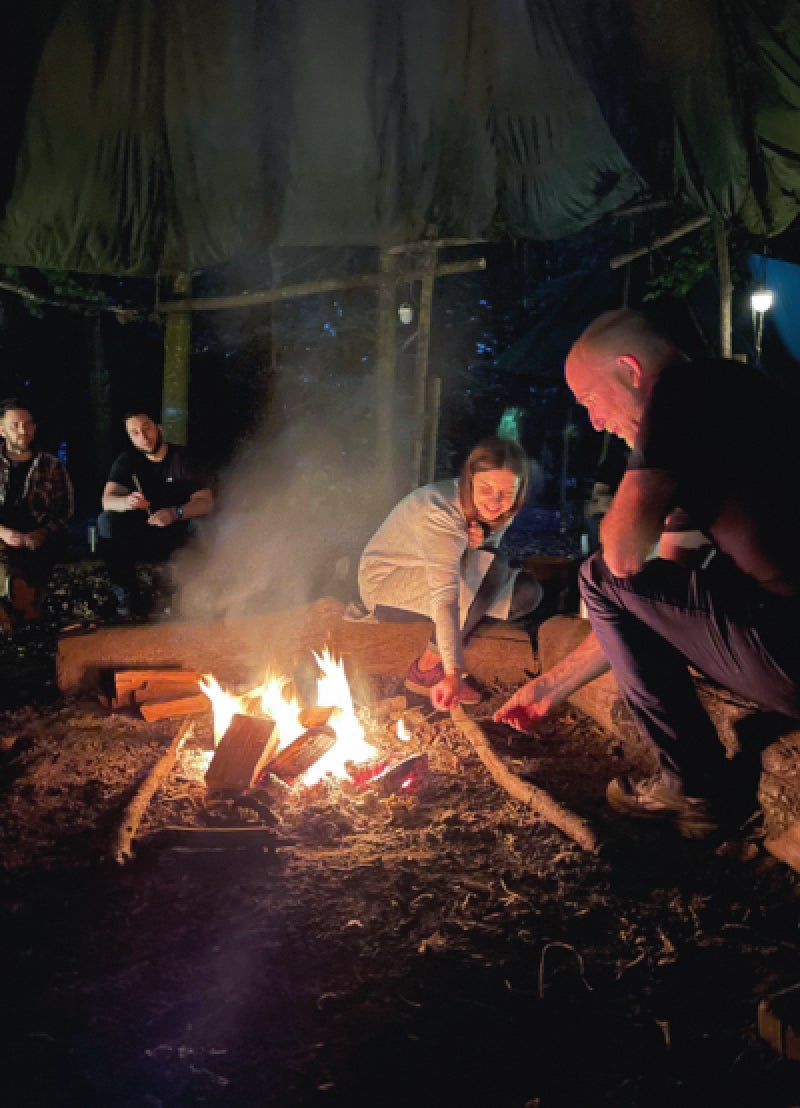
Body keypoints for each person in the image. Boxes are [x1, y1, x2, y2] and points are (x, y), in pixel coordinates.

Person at [496, 308, 800, 839]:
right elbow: (652, 600)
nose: (594, 421)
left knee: (595, 573)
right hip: (783, 642)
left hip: (790, 652)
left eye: (591, 399)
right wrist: (552, 685)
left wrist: (639, 462)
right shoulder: (734, 398)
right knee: (643, 583)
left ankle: (694, 784)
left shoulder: (682, 390)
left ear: (631, 371)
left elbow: (620, 559)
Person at [355, 436, 543, 711]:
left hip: (445, 575)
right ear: (469, 480)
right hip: (389, 583)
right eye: (486, 487)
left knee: (527, 592)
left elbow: (482, 563)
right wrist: (452, 671)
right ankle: (426, 670)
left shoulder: (503, 508)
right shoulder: (439, 511)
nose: (495, 500)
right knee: (498, 564)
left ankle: (449, 640)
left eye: (507, 491)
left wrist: (476, 544)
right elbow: (446, 596)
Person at [98, 410, 213, 616]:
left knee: (205, 526)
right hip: (143, 534)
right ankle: (128, 599)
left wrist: (175, 512)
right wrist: (127, 501)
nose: (143, 437)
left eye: (146, 428)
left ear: (158, 428)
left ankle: (195, 595)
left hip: (178, 532)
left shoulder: (182, 458)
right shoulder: (127, 461)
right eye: (135, 433)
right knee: (106, 521)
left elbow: (205, 502)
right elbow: (108, 501)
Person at [0, 398, 74, 629]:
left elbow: (65, 509)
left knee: (40, 555)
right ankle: (26, 605)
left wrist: (42, 532)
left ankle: (12, 610)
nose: (23, 431)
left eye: (28, 424)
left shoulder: (51, 465)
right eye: (15, 425)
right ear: (2, 430)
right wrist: (2, 532)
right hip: (3, 532)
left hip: (40, 533)